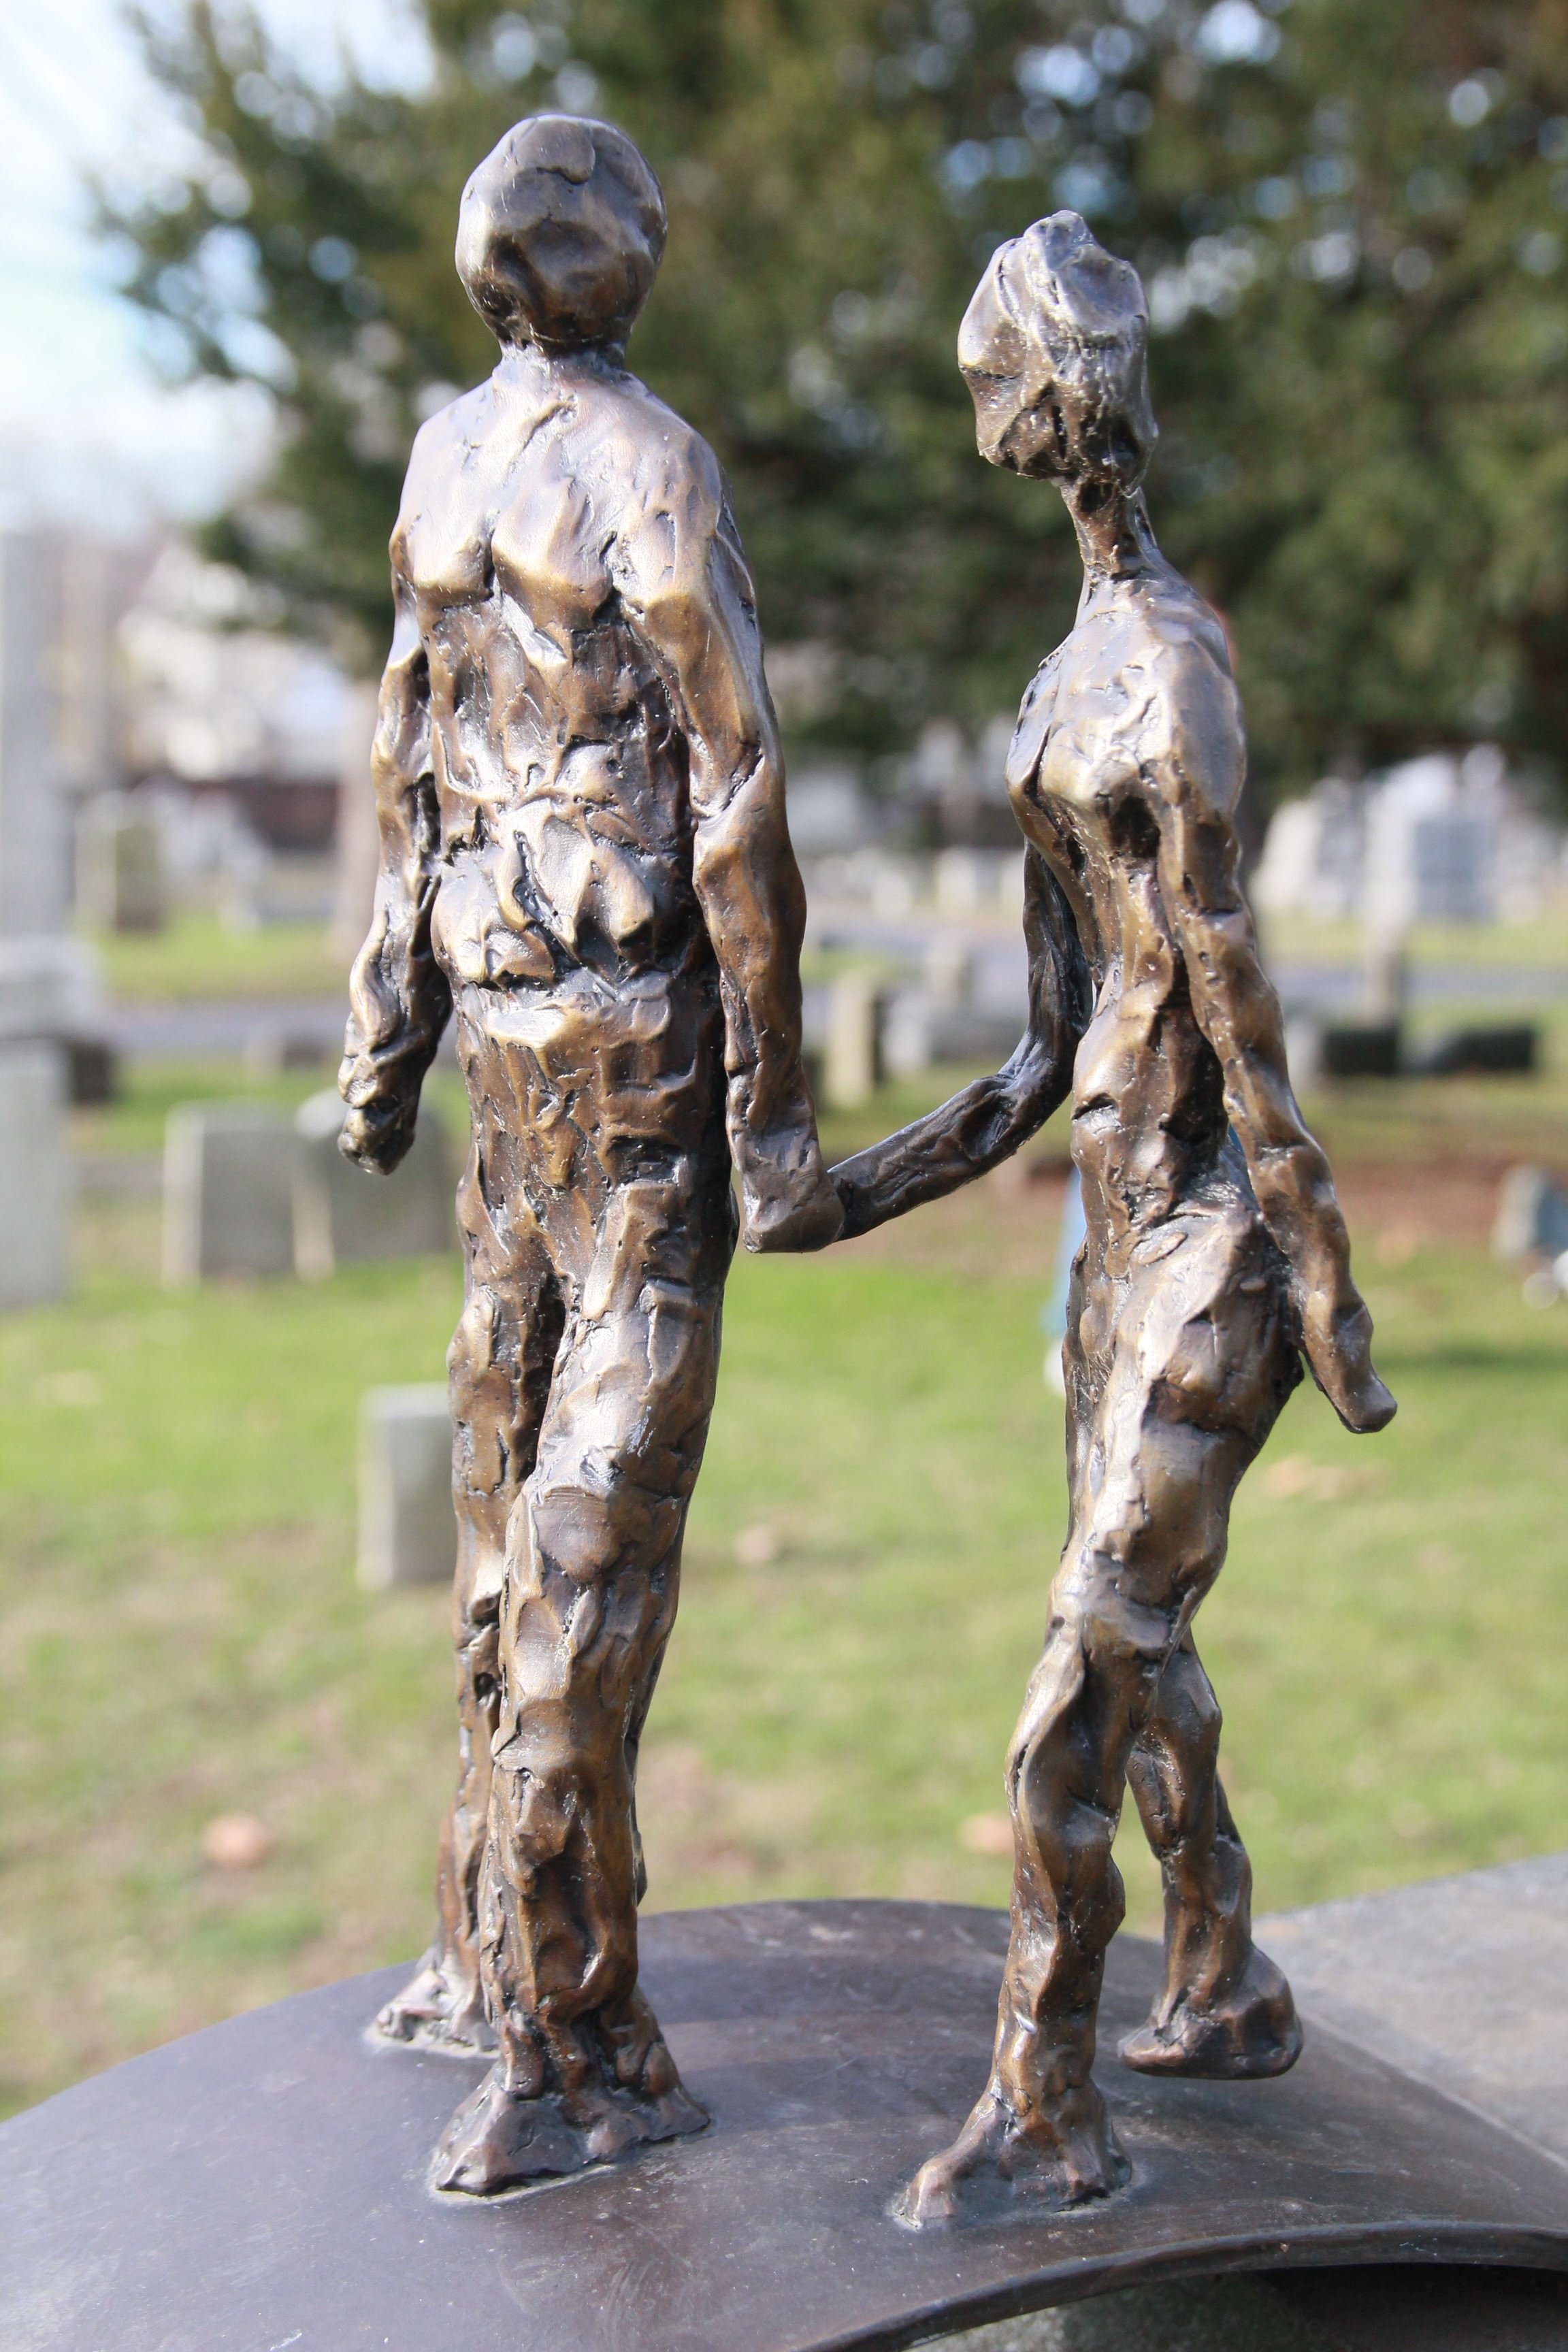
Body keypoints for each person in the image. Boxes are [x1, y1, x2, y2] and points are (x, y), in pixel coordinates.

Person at [830, 212, 1394, 2223]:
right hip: (1116, 1245)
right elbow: (1043, 1043)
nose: (1004, 414)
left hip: (1219, 1244)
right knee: (1146, 1658)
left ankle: (1048, 2100)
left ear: (1060, 404)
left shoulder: (1166, 675)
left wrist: (1320, 1281)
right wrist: (844, 1191)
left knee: (1074, 1688)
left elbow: (1239, 996)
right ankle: (1224, 1976)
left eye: (1009, 378)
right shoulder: (1053, 691)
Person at [338, 112, 840, 2197]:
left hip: (495, 1029)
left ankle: (479, 1950)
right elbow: (730, 787)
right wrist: (783, 1106)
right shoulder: (647, 467)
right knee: (588, 1533)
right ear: (619, 261)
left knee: (498, 1477)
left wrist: (384, 1028)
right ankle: (569, 2042)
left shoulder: (445, 464)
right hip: (625, 1053)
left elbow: (409, 747)